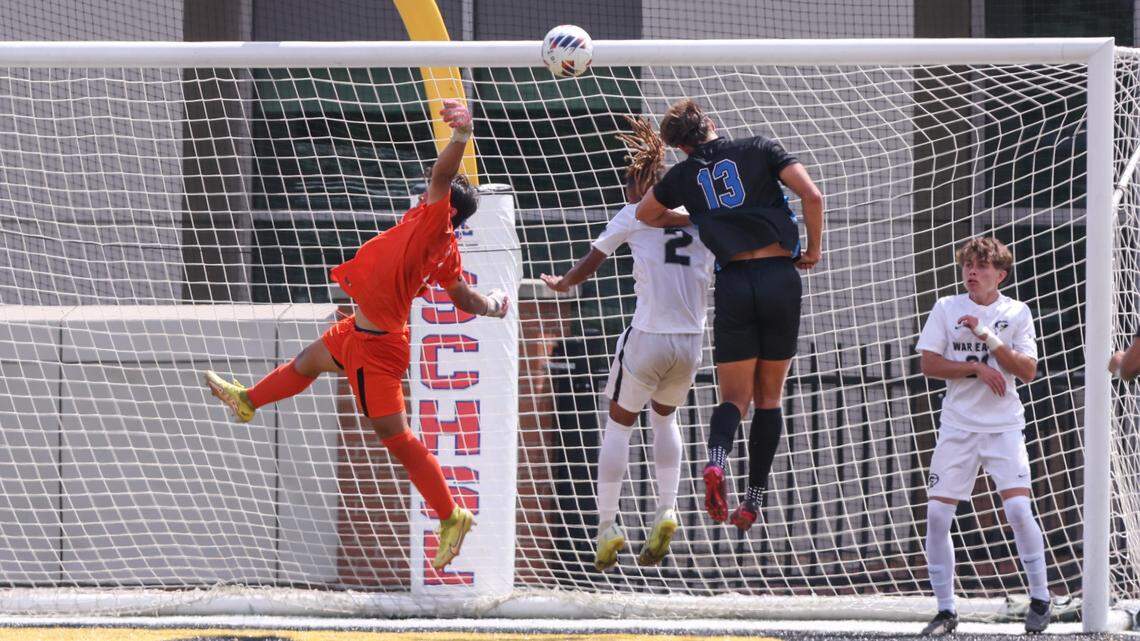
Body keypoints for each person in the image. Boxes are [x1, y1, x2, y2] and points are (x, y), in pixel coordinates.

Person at [202, 99, 508, 572]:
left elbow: (443, 176)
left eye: (437, 193)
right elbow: (464, 298)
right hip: (362, 332)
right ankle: (249, 401)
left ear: (448, 211)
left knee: (397, 437)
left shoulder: (433, 225)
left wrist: (462, 136)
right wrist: (494, 305)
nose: (427, 191)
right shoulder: (442, 246)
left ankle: (451, 515)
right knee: (306, 362)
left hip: (376, 346)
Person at [635, 99, 824, 532]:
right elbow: (812, 195)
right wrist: (813, 249)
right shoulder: (759, 147)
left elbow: (647, 214)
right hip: (779, 276)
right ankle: (753, 502)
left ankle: (717, 460)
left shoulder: (685, 174)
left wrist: (698, 215)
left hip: (735, 282)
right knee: (770, 398)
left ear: (680, 147)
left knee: (734, 400)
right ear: (711, 124)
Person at [542, 117, 715, 571]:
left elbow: (590, 262)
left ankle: (606, 527)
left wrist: (562, 284)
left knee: (619, 426)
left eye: (628, 184)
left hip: (648, 337)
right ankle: (667, 510)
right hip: (692, 342)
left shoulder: (635, 214)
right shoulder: (703, 219)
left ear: (641, 186)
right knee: (665, 420)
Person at [915, 236, 1051, 635]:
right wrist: (976, 369)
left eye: (981, 267)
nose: (972, 272)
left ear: (1000, 275)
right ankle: (945, 610)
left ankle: (1040, 598)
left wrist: (989, 340)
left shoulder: (1017, 312)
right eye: (967, 266)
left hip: (1003, 427)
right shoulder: (946, 308)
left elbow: (1027, 371)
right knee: (938, 515)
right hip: (958, 426)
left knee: (1018, 511)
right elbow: (929, 363)